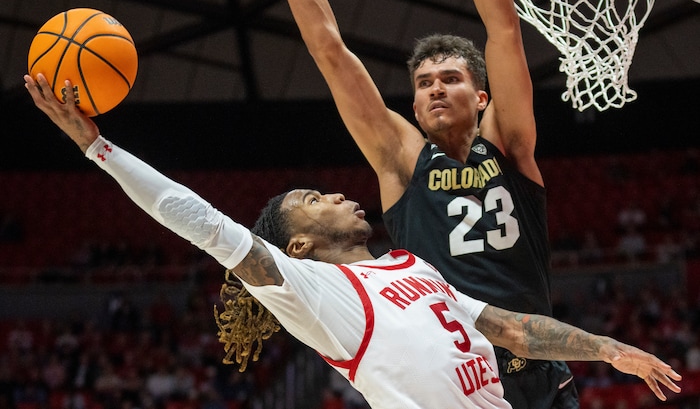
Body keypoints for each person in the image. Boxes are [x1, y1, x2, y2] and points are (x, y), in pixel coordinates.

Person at [23, 73, 683, 409]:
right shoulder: (313, 290)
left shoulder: (413, 266)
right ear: (299, 247)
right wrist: (98, 146)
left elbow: (511, 329)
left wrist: (609, 349)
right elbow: (197, 218)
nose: (334, 193)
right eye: (312, 200)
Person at [260, 0, 577, 406]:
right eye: (425, 82)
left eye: (451, 79)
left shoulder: (509, 144)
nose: (436, 89)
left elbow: (504, 28)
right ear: (413, 105)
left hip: (541, 370)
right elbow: (329, 49)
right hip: (456, 378)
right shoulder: (402, 162)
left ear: (482, 97)